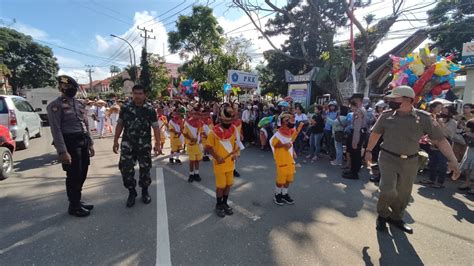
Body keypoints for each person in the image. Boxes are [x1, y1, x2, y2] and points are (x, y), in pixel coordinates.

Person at [365, 85, 460, 234]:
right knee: (388, 190)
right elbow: (375, 134)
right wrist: (368, 151)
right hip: (387, 158)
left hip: (410, 161)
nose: (391, 101)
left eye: (394, 98)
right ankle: (382, 215)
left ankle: (396, 218)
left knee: (404, 194)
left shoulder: (424, 118)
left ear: (408, 100)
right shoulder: (386, 115)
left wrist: (453, 161)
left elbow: (440, 140)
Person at [47, 75, 95, 217]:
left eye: (71, 88)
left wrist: (91, 144)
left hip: (83, 141)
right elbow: (56, 130)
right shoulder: (55, 105)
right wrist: (62, 151)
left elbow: (85, 124)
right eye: (65, 87)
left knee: (82, 173)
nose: (68, 90)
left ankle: (77, 200)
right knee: (73, 175)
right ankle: (73, 206)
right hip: (70, 144)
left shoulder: (79, 104)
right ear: (60, 88)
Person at [113, 85, 161, 208]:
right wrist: (115, 141)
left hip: (144, 145)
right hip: (127, 144)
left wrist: (157, 144)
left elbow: (155, 127)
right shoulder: (126, 107)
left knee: (145, 170)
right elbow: (120, 124)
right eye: (135, 93)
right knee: (126, 170)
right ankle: (132, 192)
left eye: (140, 93)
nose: (137, 96)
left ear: (145, 95)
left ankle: (145, 191)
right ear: (132, 94)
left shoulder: (150, 109)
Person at [205, 103, 239, 217]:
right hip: (219, 163)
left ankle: (224, 203)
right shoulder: (213, 132)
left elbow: (236, 144)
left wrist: (235, 154)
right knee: (221, 185)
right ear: (220, 119)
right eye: (226, 122)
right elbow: (208, 147)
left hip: (230, 163)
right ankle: (218, 205)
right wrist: (217, 156)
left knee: (229, 184)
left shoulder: (233, 129)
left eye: (230, 122)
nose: (229, 124)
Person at [270, 112, 304, 205]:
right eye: (290, 120)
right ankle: (277, 195)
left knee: (289, 179)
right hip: (281, 160)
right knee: (281, 180)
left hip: (290, 159)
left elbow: (290, 143)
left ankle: (284, 194)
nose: (292, 122)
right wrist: (284, 145)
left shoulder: (291, 131)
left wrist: (293, 151)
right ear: (284, 121)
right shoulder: (278, 133)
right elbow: (273, 143)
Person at [342, 93, 367, 180]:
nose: (352, 102)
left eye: (354, 100)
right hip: (359, 133)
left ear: (358, 100)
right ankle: (353, 170)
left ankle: (354, 173)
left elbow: (357, 128)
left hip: (358, 134)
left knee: (355, 154)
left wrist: (355, 141)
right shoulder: (361, 109)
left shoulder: (359, 111)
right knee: (354, 154)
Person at [183, 110, 204, 182]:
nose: (197, 115)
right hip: (191, 145)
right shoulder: (188, 123)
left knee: (197, 160)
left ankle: (196, 174)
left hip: (198, 144)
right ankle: (191, 174)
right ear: (192, 114)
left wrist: (200, 138)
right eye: (195, 114)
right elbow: (185, 133)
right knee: (192, 161)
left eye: (198, 114)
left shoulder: (200, 122)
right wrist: (191, 139)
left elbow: (200, 132)